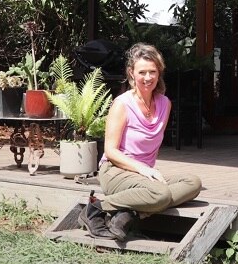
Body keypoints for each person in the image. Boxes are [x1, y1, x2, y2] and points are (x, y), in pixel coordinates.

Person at [78, 42, 202, 240]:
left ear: (159, 73)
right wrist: (143, 169)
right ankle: (96, 208)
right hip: (116, 170)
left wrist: (147, 172)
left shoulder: (164, 104)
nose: (148, 77)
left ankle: (129, 212)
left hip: (145, 176)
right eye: (142, 72)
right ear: (131, 73)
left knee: (193, 183)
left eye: (152, 72)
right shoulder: (122, 104)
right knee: (161, 195)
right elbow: (111, 151)